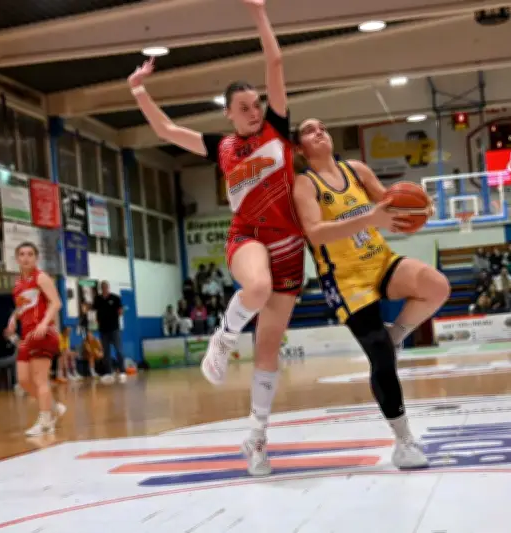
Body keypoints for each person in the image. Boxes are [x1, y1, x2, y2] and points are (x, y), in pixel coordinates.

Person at [129, 0, 303, 476]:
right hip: (248, 238)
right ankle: (223, 338)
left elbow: (275, 62)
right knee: (257, 287)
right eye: (243, 107)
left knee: (268, 351)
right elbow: (165, 128)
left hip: (290, 247)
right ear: (228, 114)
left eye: (256, 104)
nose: (253, 111)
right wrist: (138, 89)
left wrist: (259, 12)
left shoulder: (277, 129)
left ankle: (256, 438)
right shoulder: (221, 147)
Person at [292, 118, 451, 469]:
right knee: (381, 357)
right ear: (300, 148)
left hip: (380, 260)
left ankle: (397, 334)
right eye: (309, 130)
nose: (319, 131)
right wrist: (368, 220)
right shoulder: (305, 184)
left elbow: (390, 206)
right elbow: (315, 233)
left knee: (437, 286)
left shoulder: (357, 170)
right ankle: (404, 441)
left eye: (322, 127)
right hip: (345, 278)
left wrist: (419, 210)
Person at [6, 242, 66, 436]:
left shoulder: (41, 277)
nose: (26, 258)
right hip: (27, 334)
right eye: (22, 254)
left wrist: (44, 323)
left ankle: (45, 421)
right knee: (23, 380)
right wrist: (13, 318)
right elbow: (23, 306)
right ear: (17, 259)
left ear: (36, 258)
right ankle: (53, 407)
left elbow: (56, 302)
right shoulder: (18, 284)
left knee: (40, 379)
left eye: (30, 254)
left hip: (43, 332)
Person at [92, 281, 125, 384]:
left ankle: (122, 371)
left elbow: (120, 311)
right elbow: (94, 310)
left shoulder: (115, 298)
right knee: (106, 352)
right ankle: (108, 373)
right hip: (103, 329)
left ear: (108, 287)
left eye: (106, 287)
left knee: (119, 350)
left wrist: (121, 311)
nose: (104, 288)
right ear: (101, 288)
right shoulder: (97, 299)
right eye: (102, 287)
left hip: (114, 328)